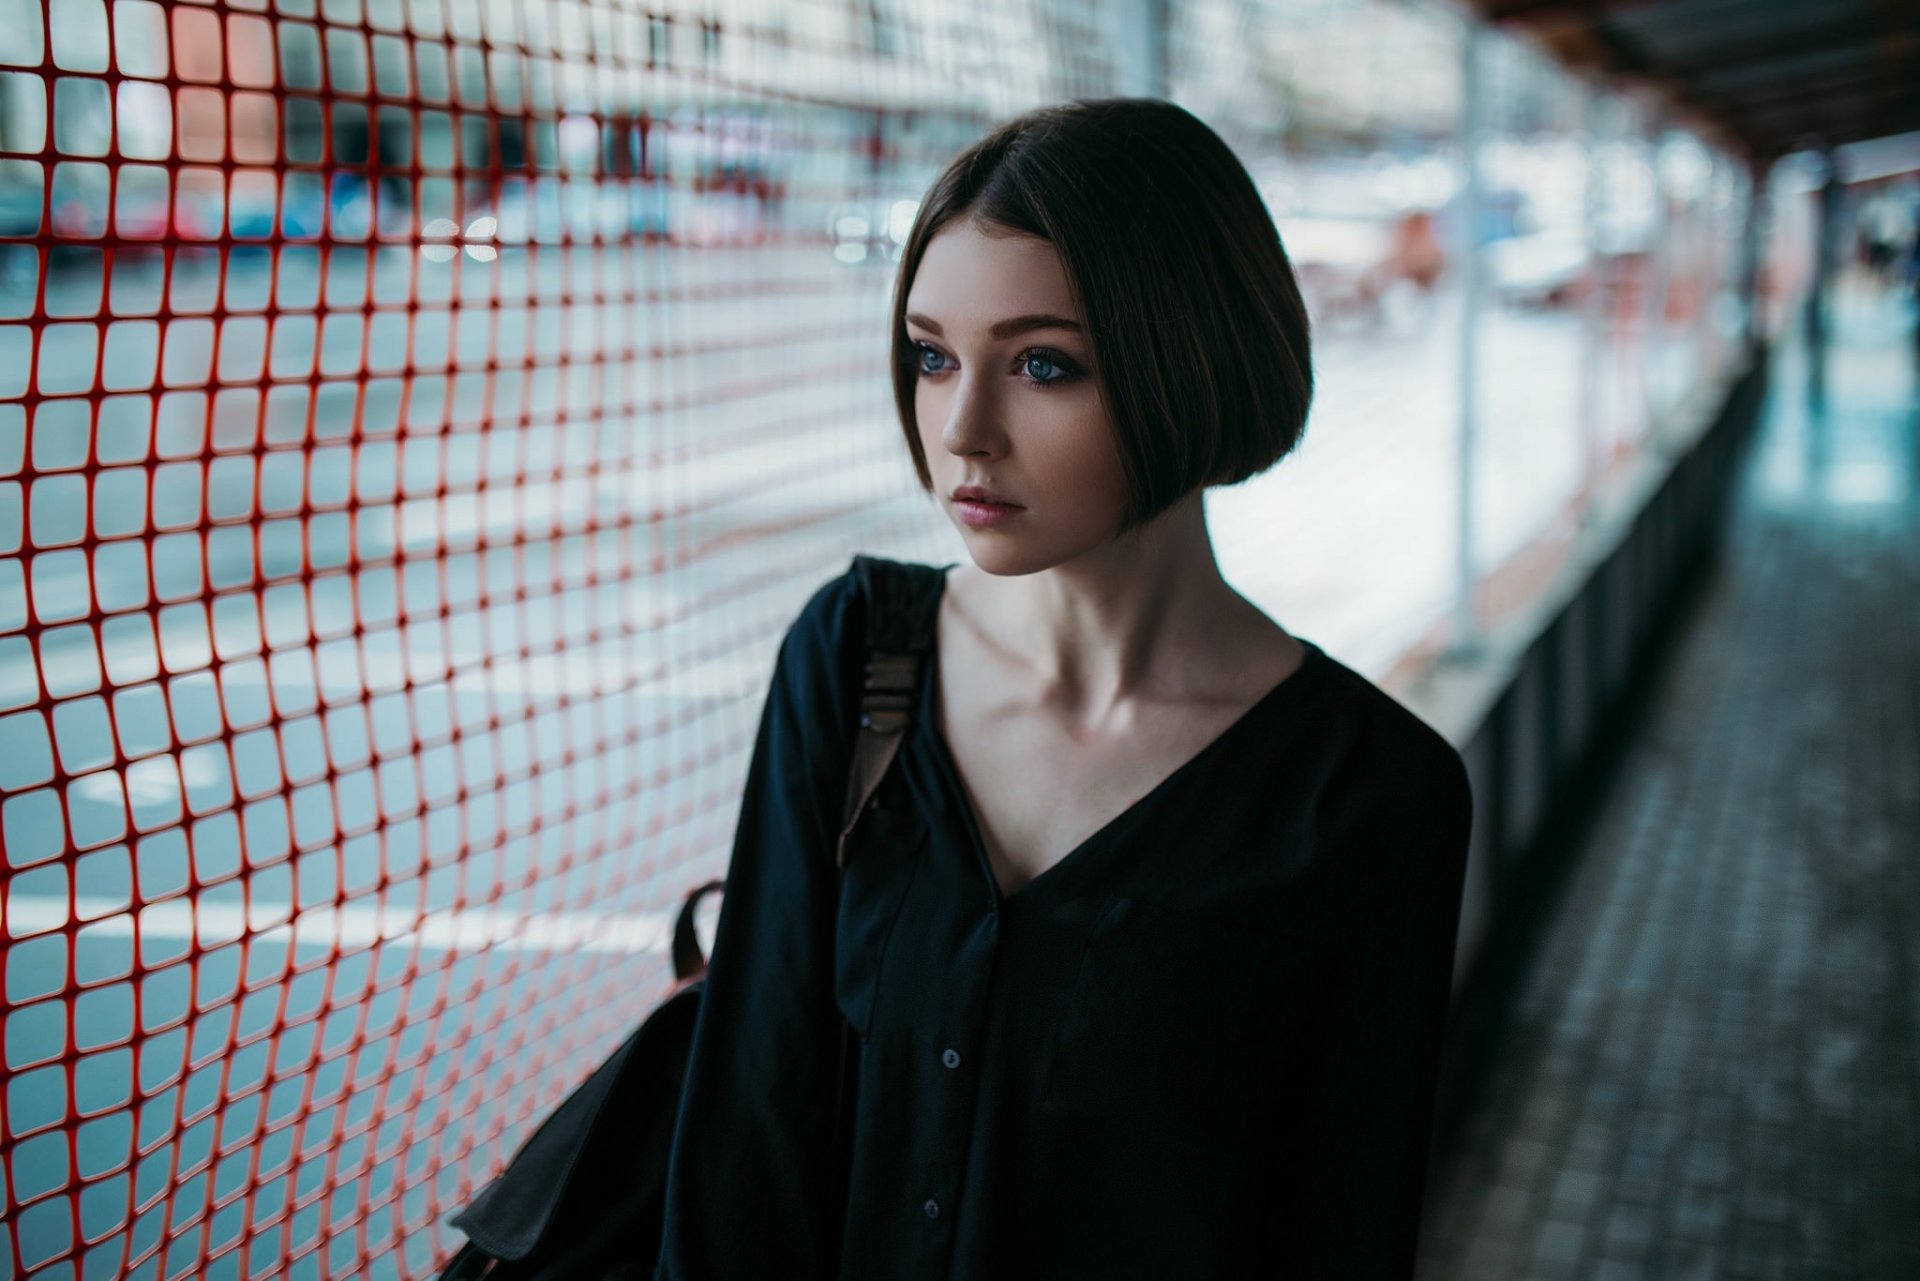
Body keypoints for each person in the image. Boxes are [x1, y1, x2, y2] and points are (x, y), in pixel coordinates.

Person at [651, 97, 1474, 1280]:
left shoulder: (1369, 795)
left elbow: (1341, 1229)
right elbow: (744, 1144)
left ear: (1192, 359)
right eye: (932, 356)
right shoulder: (856, 659)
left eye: (1044, 364)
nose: (963, 430)